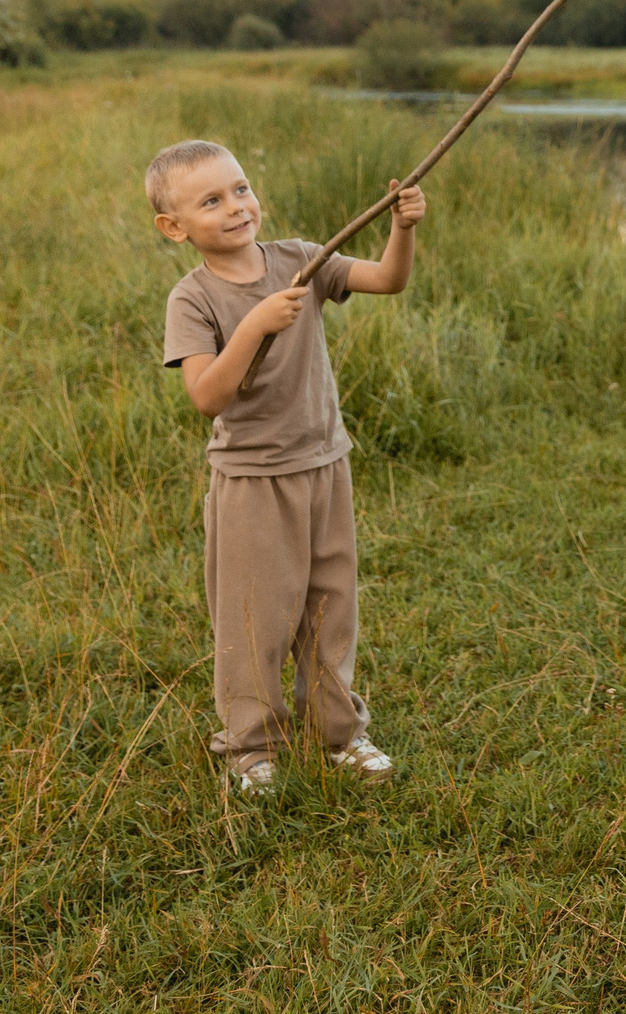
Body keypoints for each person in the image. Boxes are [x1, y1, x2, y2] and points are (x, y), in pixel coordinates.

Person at [150, 139, 427, 797]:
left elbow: (388, 279)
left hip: (325, 464)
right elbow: (206, 396)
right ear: (174, 226)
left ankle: (339, 732)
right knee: (256, 616)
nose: (236, 206)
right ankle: (250, 747)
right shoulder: (192, 299)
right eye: (211, 200)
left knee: (331, 606)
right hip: (252, 481)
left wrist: (403, 228)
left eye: (240, 188)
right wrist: (253, 326)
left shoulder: (303, 259)